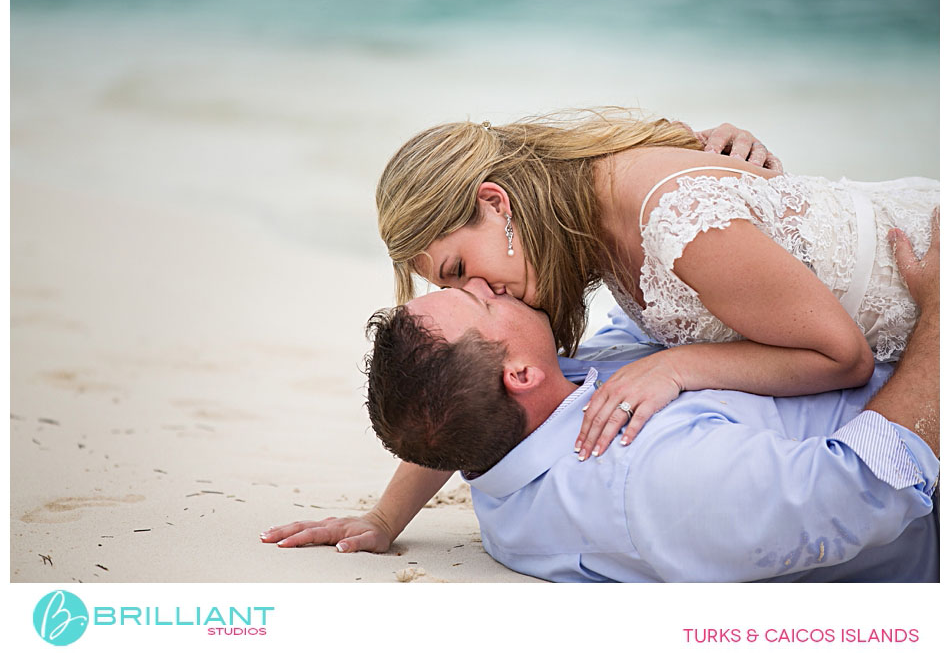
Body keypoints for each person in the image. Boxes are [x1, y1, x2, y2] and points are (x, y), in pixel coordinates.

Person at [261, 218, 939, 582]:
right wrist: (940, 320)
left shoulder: (521, 420)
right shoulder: (645, 475)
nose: (498, 287)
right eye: (479, 298)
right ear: (518, 374)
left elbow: (445, 414)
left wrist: (385, 516)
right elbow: (867, 486)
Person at [376, 108, 937, 463]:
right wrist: (384, 519)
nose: (480, 291)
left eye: (457, 271)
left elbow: (843, 359)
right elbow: (467, 376)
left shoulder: (675, 221)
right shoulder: (580, 221)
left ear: (494, 204)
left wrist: (677, 366)